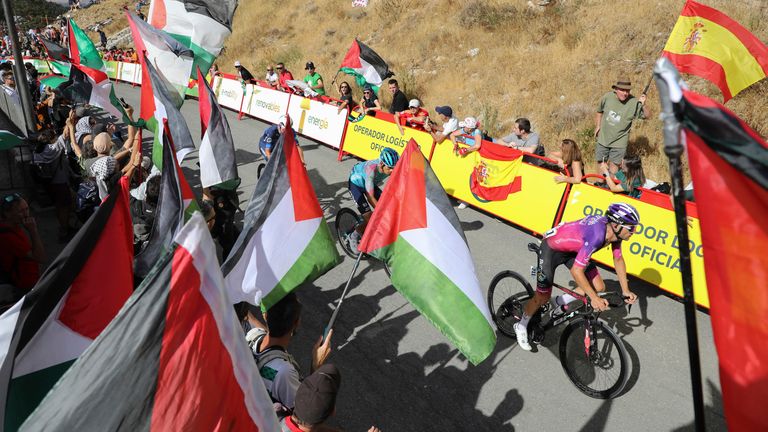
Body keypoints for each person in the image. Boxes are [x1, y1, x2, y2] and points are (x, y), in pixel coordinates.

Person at [513, 202, 640, 351]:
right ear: (617, 225)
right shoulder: (597, 235)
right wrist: (594, 298)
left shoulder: (613, 233)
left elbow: (618, 259)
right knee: (542, 297)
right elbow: (576, 271)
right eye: (631, 227)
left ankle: (559, 301)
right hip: (552, 249)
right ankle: (521, 325)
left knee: (599, 286)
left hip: (573, 249)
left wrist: (625, 290)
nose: (634, 231)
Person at [246, 292, 334, 414]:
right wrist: (316, 365)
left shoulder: (252, 335)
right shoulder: (284, 373)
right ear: (297, 323)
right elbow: (305, 414)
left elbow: (265, 332)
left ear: (265, 316)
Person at [346, 148, 399, 251]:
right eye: (390, 168)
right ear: (382, 165)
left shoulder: (392, 163)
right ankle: (353, 234)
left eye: (394, 168)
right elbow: (371, 197)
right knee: (372, 219)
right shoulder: (371, 170)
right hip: (356, 184)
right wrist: (380, 213)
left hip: (370, 184)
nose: (393, 171)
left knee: (387, 209)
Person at [595, 78, 649, 174]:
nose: (625, 93)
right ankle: (599, 185)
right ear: (616, 89)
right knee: (601, 164)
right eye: (622, 90)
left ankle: (611, 188)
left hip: (619, 142)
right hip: (603, 138)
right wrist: (598, 126)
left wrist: (643, 105)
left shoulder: (634, 102)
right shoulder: (607, 97)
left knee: (614, 167)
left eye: (627, 90)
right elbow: (599, 111)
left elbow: (647, 116)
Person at [0, 194, 45, 296]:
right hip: (24, 285)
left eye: (27, 209)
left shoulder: (14, 226)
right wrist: (33, 231)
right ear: (7, 214)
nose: (26, 215)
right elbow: (40, 257)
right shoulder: (8, 236)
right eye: (21, 211)